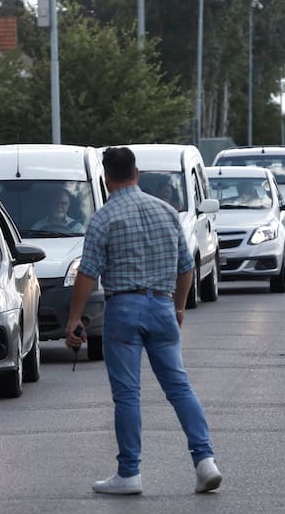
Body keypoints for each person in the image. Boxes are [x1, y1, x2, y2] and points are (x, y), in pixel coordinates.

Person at [64, 146, 221, 495]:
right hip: (163, 306)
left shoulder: (103, 218)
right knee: (179, 387)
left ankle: (129, 473)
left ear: (107, 178)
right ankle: (205, 460)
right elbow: (186, 267)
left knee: (128, 394)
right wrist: (178, 307)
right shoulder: (166, 212)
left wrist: (75, 318)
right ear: (136, 172)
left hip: (123, 308)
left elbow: (87, 274)